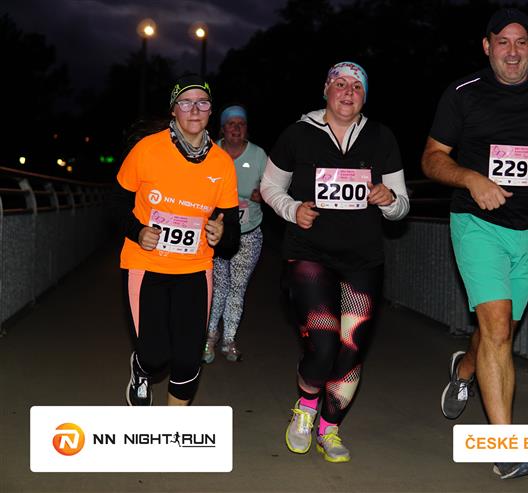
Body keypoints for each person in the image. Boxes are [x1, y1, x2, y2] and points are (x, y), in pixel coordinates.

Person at [421, 8, 528, 479]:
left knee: (500, 331)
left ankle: (464, 369)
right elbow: (432, 158)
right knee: (497, 330)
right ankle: (505, 448)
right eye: (503, 42)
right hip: (476, 223)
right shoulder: (463, 93)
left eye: (521, 42)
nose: (512, 52)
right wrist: (471, 178)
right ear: (487, 46)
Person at [261, 61, 409, 462]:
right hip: (309, 254)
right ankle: (306, 407)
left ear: (365, 97)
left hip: (362, 259)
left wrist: (390, 201)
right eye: (340, 84)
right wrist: (293, 210)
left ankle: (330, 428)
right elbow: (270, 186)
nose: (348, 92)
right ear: (326, 90)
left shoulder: (381, 137)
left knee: (352, 347)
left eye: (356, 87)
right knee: (323, 345)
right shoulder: (297, 134)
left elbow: (401, 204)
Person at [113, 74, 239, 406]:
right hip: (146, 265)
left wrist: (223, 234)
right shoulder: (147, 149)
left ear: (211, 110)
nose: (194, 109)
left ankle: (170, 430)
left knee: (187, 359)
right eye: (186, 102)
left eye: (202, 103)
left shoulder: (222, 163)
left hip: (195, 269)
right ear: (173, 110)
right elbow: (116, 203)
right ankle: (141, 368)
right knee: (155, 356)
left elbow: (232, 231)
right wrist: (138, 231)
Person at [202, 104, 268, 363]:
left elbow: (273, 187)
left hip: (249, 233)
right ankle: (210, 336)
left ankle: (229, 339)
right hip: (217, 233)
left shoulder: (258, 155)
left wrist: (263, 195)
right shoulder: (211, 151)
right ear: (222, 128)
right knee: (219, 286)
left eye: (241, 124)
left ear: (246, 129)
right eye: (232, 124)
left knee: (237, 288)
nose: (236, 129)